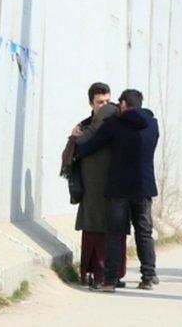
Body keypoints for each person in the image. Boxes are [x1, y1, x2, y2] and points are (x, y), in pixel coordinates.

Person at [75, 88, 159, 292]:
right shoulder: (152, 124)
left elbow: (91, 145)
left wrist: (77, 139)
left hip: (119, 188)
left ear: (122, 105)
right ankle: (148, 276)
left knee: (116, 234)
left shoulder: (115, 124)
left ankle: (110, 280)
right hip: (144, 187)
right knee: (144, 233)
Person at [59, 83, 128, 287]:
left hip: (114, 185)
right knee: (94, 229)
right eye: (100, 102)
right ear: (91, 104)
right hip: (92, 187)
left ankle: (112, 274)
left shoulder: (118, 123)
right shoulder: (85, 126)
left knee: (114, 229)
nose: (105, 105)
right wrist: (74, 139)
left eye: (108, 101)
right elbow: (71, 153)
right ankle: (94, 273)